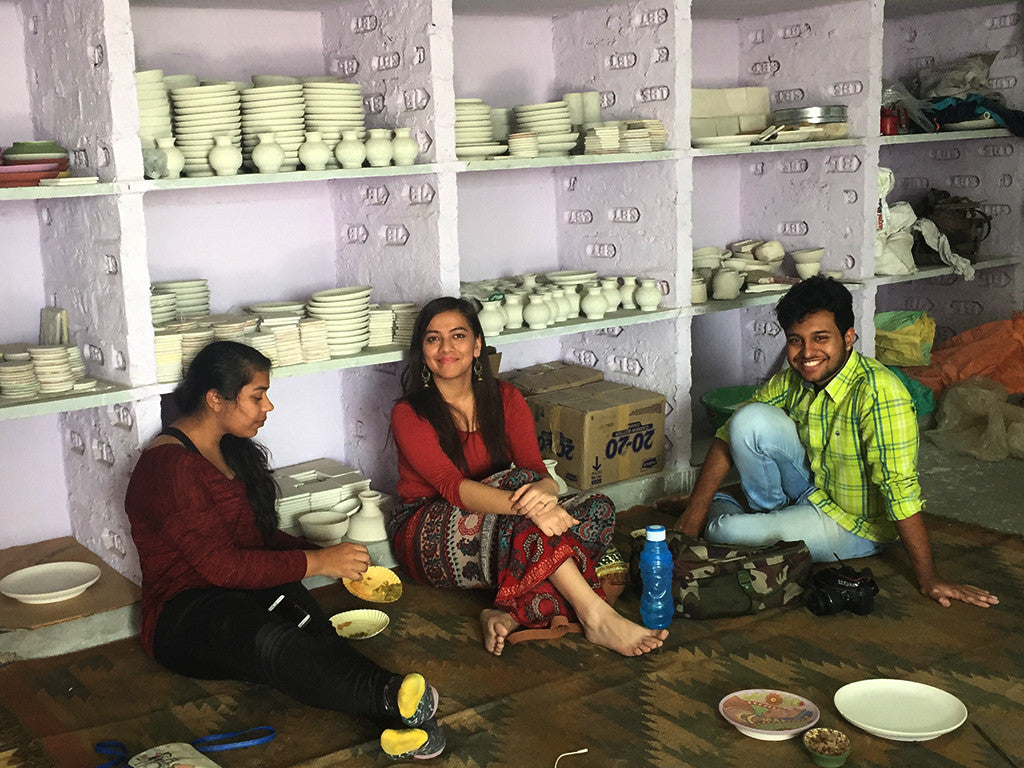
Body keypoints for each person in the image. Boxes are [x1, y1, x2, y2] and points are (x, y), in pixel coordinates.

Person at [125, 340, 445, 760]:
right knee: (273, 643)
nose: (268, 406)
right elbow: (224, 567)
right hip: (184, 615)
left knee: (314, 631)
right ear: (215, 399)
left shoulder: (228, 450)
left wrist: (326, 551)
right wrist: (319, 561)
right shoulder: (169, 468)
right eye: (257, 395)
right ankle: (393, 695)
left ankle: (402, 715)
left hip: (240, 586)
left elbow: (256, 538)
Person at [673, 276, 998, 609]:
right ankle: (752, 511)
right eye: (795, 340)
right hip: (811, 489)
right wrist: (694, 510)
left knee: (724, 533)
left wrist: (929, 578)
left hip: (852, 524)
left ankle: (729, 503)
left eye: (821, 338)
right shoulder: (792, 380)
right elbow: (728, 434)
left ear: (848, 337)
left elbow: (899, 489)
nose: (807, 353)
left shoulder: (879, 393)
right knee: (748, 420)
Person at [387, 297, 668, 657]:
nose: (445, 348)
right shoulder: (409, 413)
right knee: (530, 512)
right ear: (422, 351)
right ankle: (595, 616)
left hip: (501, 515)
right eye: (432, 339)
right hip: (424, 528)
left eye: (457, 336)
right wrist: (531, 508)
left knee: (596, 507)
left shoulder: (505, 397)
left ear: (476, 347)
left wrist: (545, 494)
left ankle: (508, 612)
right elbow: (451, 488)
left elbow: (538, 473)